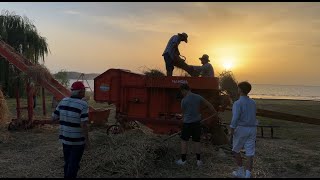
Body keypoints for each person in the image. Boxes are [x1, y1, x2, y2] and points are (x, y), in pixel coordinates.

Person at [52, 81, 90, 178]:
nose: (85, 92)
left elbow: (54, 118)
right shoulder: (83, 104)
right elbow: (84, 124)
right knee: (73, 165)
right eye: (84, 90)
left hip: (65, 139)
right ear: (81, 91)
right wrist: (87, 141)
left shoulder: (63, 101)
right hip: (77, 141)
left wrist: (65, 120)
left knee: (68, 162)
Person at [175, 83, 217, 166]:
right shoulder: (198, 97)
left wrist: (182, 119)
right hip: (197, 123)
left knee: (184, 141)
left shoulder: (184, 100)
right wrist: (214, 112)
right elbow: (208, 104)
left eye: (182, 91)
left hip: (187, 124)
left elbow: (184, 113)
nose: (182, 93)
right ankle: (198, 161)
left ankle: (183, 160)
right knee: (196, 141)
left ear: (184, 90)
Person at [229, 81, 258, 178]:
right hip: (253, 129)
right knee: (250, 152)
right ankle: (248, 175)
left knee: (236, 150)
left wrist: (232, 130)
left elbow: (235, 118)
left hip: (241, 128)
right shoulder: (253, 102)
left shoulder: (238, 103)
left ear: (240, 90)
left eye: (238, 88)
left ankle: (240, 171)